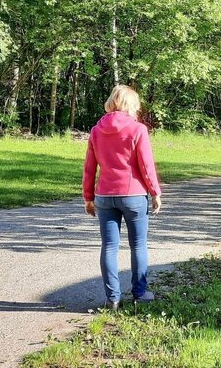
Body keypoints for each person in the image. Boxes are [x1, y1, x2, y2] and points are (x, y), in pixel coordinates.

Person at [82, 84, 163, 310]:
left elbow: (90, 167)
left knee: (109, 247)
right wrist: (155, 192)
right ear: (131, 105)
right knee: (138, 245)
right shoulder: (137, 130)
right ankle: (139, 293)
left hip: (105, 195)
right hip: (134, 195)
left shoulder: (96, 131)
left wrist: (88, 197)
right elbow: (146, 166)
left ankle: (113, 299)